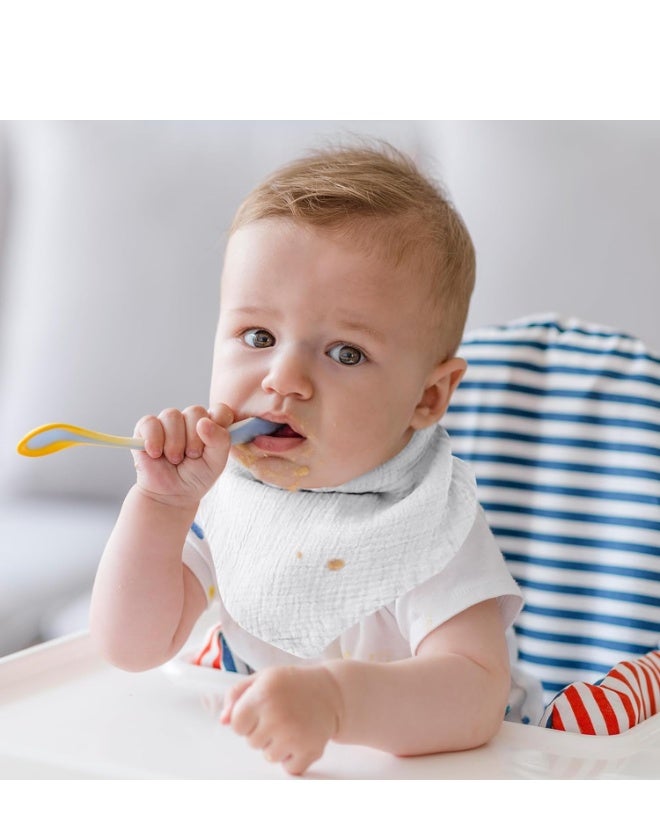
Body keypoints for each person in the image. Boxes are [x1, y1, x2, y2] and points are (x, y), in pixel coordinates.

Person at [90, 141, 530, 776]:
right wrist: (162, 505)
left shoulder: (426, 519)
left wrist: (336, 703)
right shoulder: (229, 498)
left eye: (345, 352)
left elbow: (475, 696)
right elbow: (131, 648)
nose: (285, 378)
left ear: (428, 396)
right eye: (259, 337)